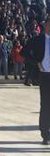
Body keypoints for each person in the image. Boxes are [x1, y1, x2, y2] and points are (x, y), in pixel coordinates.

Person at [24, 17, 50, 145]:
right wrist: (36, 63)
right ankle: (45, 134)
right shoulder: (38, 40)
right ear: (45, 25)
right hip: (45, 75)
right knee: (45, 105)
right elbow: (24, 53)